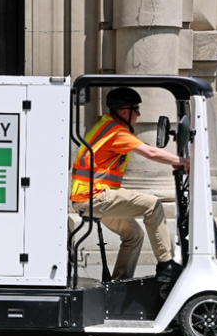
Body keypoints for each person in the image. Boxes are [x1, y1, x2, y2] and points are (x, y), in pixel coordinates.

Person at [70, 87, 189, 283]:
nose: (139, 114)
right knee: (152, 205)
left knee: (133, 234)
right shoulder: (116, 132)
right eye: (136, 110)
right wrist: (185, 162)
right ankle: (167, 265)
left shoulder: (104, 126)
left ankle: (119, 284)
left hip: (88, 199)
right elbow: (151, 153)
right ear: (125, 112)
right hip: (96, 197)